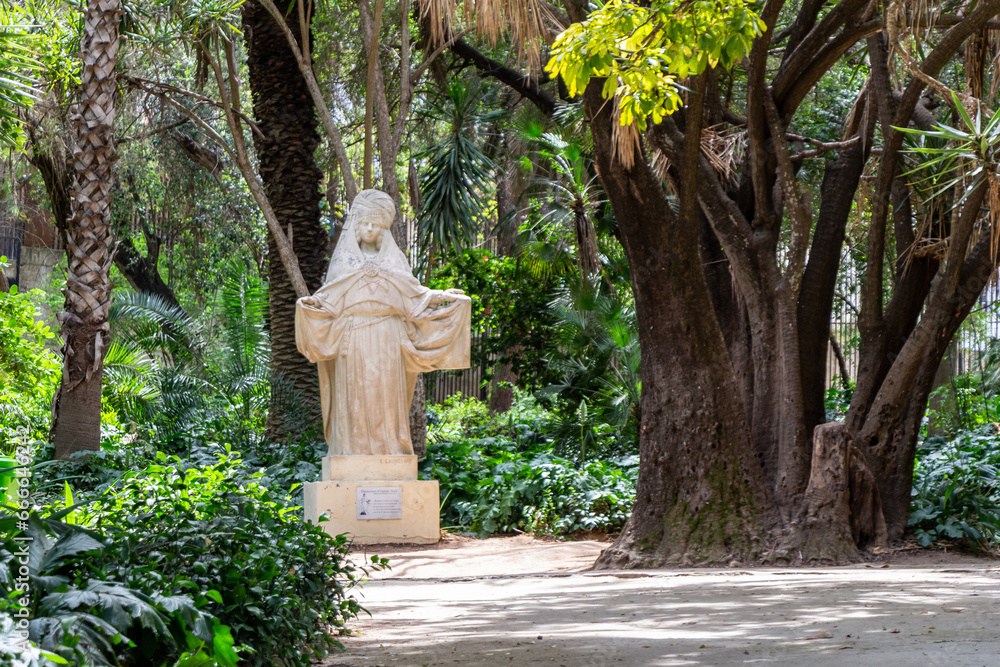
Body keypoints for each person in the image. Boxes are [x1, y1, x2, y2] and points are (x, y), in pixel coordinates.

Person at [295, 190, 470, 456]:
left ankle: (391, 451)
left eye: (375, 224)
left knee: (386, 399)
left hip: (389, 337)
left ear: (384, 228)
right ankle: (351, 452)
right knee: (354, 398)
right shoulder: (345, 262)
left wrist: (442, 296)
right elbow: (330, 299)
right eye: (363, 223)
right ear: (355, 225)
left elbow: (413, 295)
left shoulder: (393, 261)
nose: (368, 228)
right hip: (352, 339)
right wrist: (311, 305)